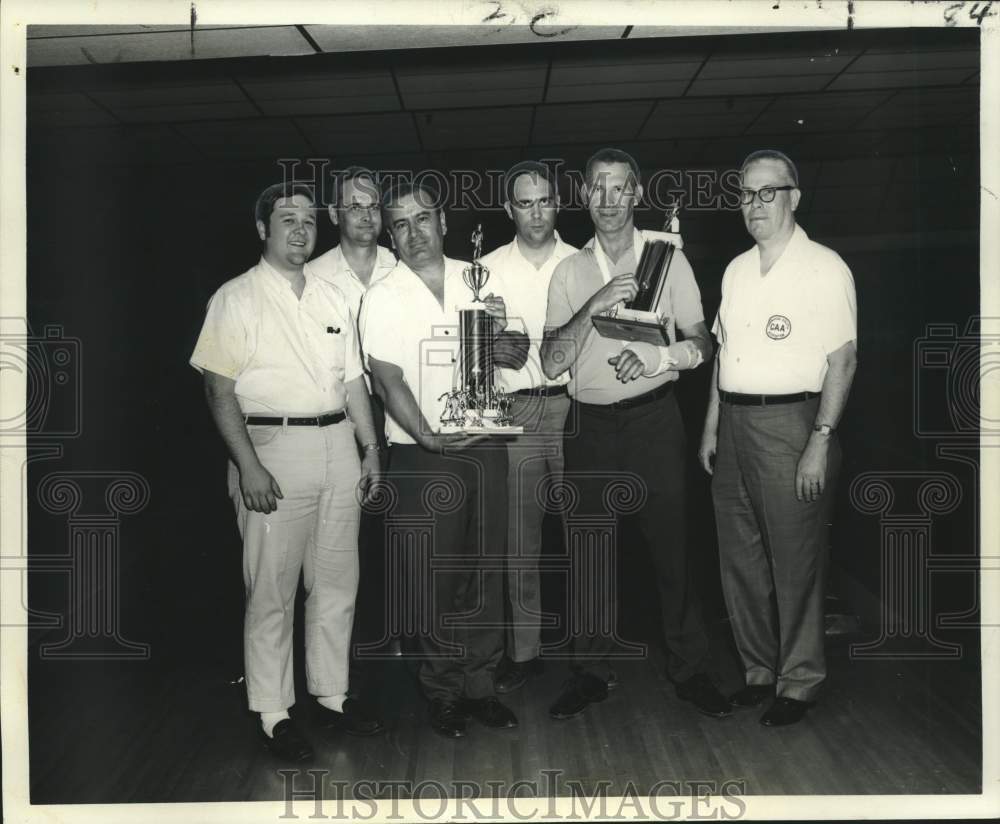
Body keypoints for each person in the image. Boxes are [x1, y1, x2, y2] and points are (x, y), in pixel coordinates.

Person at [190, 182, 384, 763]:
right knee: (270, 590)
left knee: (335, 582)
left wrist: (370, 447)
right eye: (285, 220)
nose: (299, 230)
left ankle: (331, 696)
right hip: (271, 448)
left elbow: (352, 381)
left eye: (306, 220)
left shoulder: (330, 296)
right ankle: (273, 713)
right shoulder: (236, 298)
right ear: (262, 230)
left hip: (337, 446)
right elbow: (217, 388)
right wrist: (247, 463)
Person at [539, 147, 730, 721]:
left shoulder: (667, 259)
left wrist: (658, 358)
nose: (607, 199)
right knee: (589, 553)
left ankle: (692, 670)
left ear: (636, 193)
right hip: (590, 429)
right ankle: (590, 671)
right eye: (596, 187)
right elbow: (551, 362)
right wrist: (594, 305)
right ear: (584, 196)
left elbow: (704, 342)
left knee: (673, 550)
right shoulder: (569, 272)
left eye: (618, 187)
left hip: (654, 420)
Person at [358, 179, 529, 738]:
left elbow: (517, 349)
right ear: (390, 234)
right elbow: (387, 379)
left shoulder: (481, 275)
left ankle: (480, 686)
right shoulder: (381, 296)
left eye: (423, 219)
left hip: (488, 446)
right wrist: (428, 435)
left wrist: (505, 340)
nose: (414, 233)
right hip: (422, 453)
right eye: (400, 224)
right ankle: (443, 692)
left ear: (444, 221)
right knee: (430, 580)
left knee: (484, 573)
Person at [698, 149, 857, 727]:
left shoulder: (824, 267)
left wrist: (820, 438)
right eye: (745, 193)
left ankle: (800, 681)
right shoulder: (737, 270)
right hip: (736, 426)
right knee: (739, 558)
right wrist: (713, 426)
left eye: (768, 192)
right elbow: (723, 358)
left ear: (794, 196)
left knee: (796, 560)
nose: (754, 204)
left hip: (792, 423)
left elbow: (842, 361)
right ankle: (759, 671)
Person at [478, 161, 577, 694]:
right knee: (520, 544)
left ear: (557, 203)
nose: (535, 211)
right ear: (509, 209)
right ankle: (525, 651)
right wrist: (488, 340)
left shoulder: (583, 261)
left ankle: (591, 649)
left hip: (577, 408)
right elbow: (469, 353)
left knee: (588, 532)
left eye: (543, 200)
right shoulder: (486, 267)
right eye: (524, 202)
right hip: (514, 413)